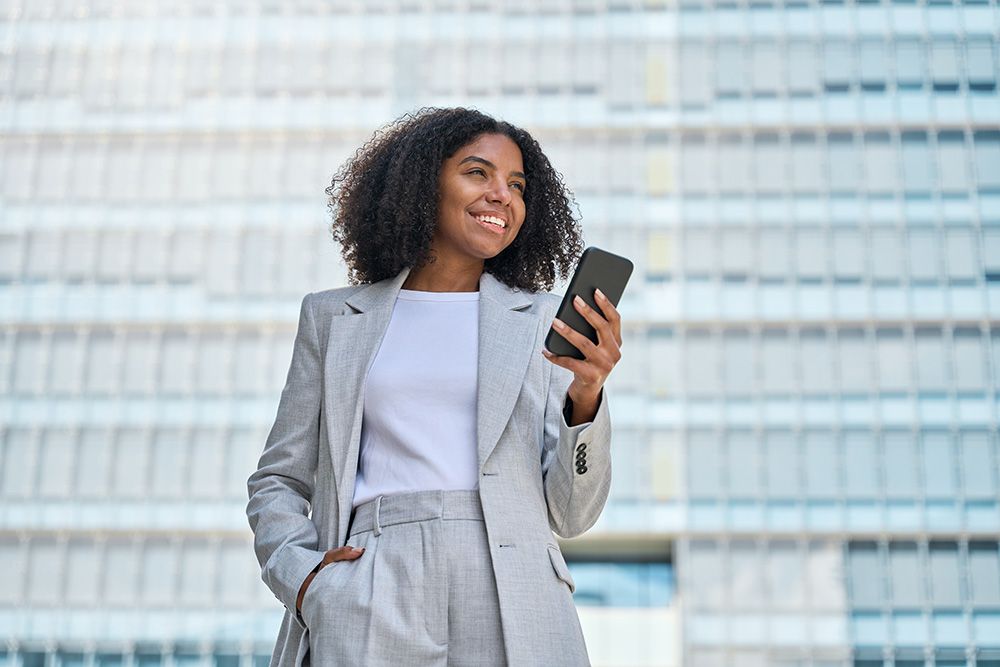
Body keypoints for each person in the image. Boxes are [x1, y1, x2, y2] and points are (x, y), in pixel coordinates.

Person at [246, 107, 622, 667]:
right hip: (373, 577)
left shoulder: (544, 323)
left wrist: (586, 396)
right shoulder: (333, 318)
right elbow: (279, 477)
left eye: (517, 185)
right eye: (478, 173)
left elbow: (571, 515)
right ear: (424, 184)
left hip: (514, 586)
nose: (503, 195)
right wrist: (306, 582)